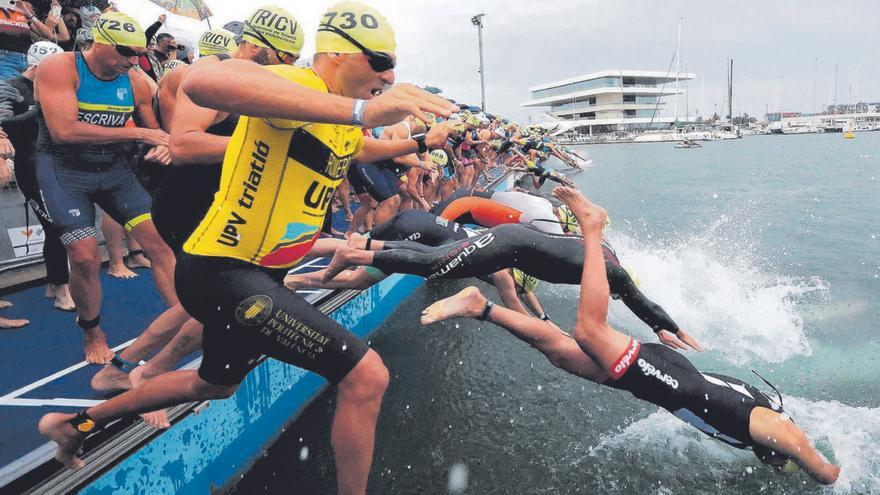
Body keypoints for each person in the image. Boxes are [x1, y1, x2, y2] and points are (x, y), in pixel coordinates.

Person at [38, 4, 457, 494]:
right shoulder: (294, 85)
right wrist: (364, 110)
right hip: (224, 268)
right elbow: (204, 84)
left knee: (214, 384)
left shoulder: (334, 113)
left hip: (259, 272)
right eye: (381, 61)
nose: (389, 74)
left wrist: (424, 136)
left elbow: (360, 149)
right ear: (340, 53)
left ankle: (75, 424)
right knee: (365, 375)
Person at [419, 187, 840, 485]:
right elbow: (824, 474)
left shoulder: (761, 438)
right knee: (588, 330)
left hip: (669, 382)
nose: (778, 467)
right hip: (673, 382)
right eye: (782, 466)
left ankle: (481, 306)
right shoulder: (778, 432)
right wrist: (825, 471)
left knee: (564, 355)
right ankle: (592, 226)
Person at [32, 12, 177, 363]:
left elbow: (156, 130)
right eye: (126, 52)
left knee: (159, 242)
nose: (132, 61)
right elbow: (64, 131)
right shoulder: (59, 68)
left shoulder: (137, 81)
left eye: (138, 54)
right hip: (64, 171)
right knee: (84, 257)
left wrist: (162, 144)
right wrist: (139, 133)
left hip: (113, 170)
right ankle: (92, 332)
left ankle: (186, 321)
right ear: (101, 44)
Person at [323, 218, 699, 347]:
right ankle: (355, 255)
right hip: (507, 246)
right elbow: (641, 301)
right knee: (435, 265)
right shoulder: (611, 272)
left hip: (513, 241)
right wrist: (668, 328)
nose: (610, 295)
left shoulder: (605, 253)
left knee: (436, 258)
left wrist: (662, 327)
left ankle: (365, 246)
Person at [0, 41, 74, 312]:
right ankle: (62, 289)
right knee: (56, 225)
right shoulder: (10, 86)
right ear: (34, 66)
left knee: (59, 226)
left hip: (57, 165)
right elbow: (3, 123)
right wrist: (37, 111)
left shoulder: (55, 87)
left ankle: (55, 284)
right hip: (30, 166)